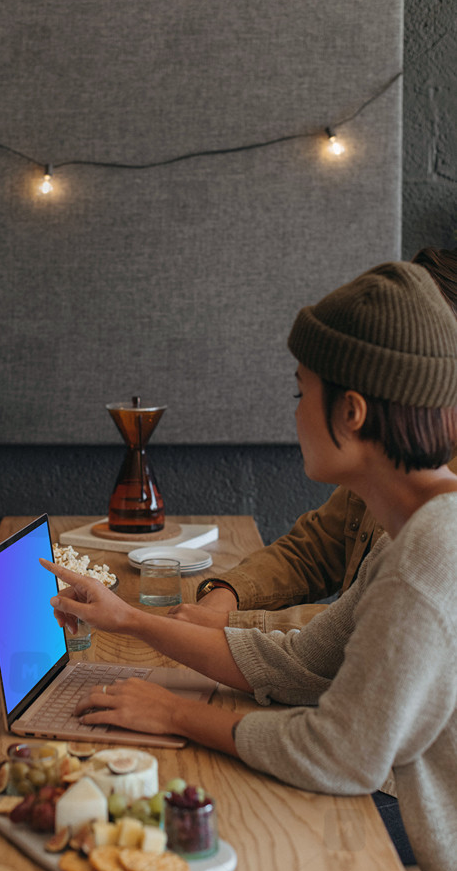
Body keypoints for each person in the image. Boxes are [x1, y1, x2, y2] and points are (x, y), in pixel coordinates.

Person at [42, 261, 457, 871]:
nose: (293, 412)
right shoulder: (412, 535)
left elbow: (340, 756)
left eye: (300, 392)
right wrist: (130, 619)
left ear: (351, 411)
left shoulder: (429, 558)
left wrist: (176, 714)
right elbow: (301, 663)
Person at [171, 247, 457, 636]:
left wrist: (228, 624)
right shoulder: (388, 462)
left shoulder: (437, 533)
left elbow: (356, 635)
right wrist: (228, 593)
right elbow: (317, 549)